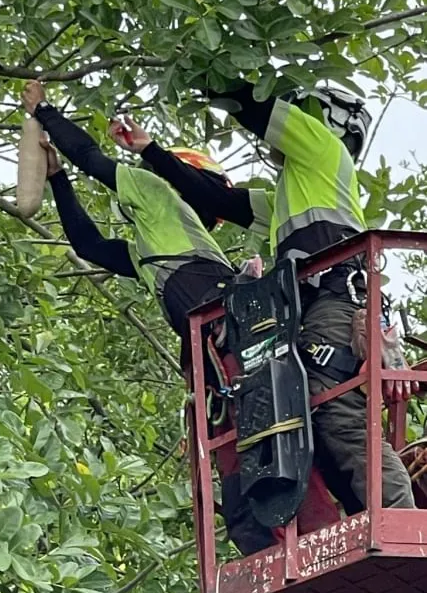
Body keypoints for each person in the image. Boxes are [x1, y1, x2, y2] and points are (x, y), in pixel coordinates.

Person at [23, 81, 340, 551]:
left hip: (230, 348)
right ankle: (277, 548)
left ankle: (314, 539)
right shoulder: (153, 243)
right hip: (216, 362)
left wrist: (43, 112)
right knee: (245, 476)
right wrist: (56, 178)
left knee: (267, 452)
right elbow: (89, 244)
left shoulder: (161, 204)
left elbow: (91, 158)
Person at [109, 83, 415, 512]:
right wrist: (150, 150)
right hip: (311, 312)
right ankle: (368, 522)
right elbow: (213, 198)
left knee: (340, 419)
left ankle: (399, 523)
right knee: (312, 423)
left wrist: (206, 71)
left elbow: (252, 105)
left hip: (336, 300)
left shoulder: (324, 149)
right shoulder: (290, 195)